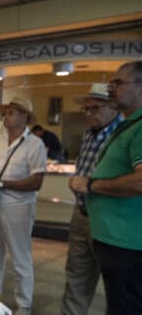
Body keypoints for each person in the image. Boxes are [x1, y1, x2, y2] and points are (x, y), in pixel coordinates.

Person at [70, 61, 142, 314]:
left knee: (125, 303)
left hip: (124, 240)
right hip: (95, 224)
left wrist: (91, 185)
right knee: (82, 284)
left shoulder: (137, 128)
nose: (113, 88)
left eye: (118, 83)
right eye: (85, 109)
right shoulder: (112, 130)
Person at [61, 83, 123, 315]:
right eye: (86, 109)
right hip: (81, 214)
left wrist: (89, 185)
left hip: (108, 218)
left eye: (95, 108)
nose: (88, 114)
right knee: (76, 280)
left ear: (113, 107)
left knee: (116, 287)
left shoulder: (123, 134)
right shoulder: (88, 134)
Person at [0, 97, 47, 315]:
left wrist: (1, 183)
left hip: (19, 207)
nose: (6, 115)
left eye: (12, 112)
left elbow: (36, 182)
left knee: (20, 257)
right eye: (6, 112)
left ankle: (24, 305)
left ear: (24, 116)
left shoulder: (35, 145)